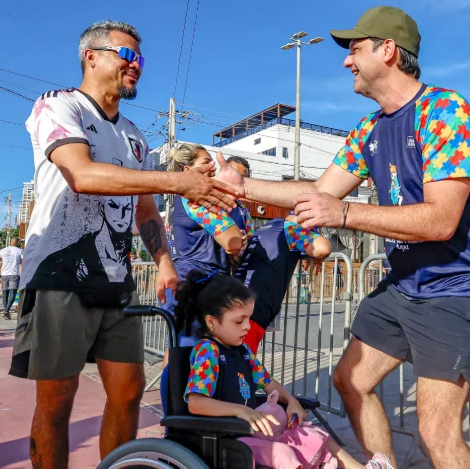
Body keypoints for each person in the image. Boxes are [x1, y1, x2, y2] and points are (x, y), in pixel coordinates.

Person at [213, 6, 470, 468]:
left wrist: (345, 213)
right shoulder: (369, 129)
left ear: (388, 50)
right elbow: (318, 191)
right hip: (405, 284)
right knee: (350, 381)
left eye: (354, 50)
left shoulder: (445, 111)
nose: (346, 61)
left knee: (437, 433)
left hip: (458, 284)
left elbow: (441, 220)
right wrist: (241, 187)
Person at [10, 20, 239, 469]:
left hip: (116, 281)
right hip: (58, 275)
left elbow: (145, 210)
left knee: (130, 390)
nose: (137, 65)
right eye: (127, 55)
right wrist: (178, 181)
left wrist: (164, 263)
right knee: (56, 400)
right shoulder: (59, 105)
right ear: (91, 57)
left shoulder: (135, 136)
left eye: (141, 59)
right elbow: (82, 175)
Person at [177, 270, 394, 469]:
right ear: (212, 322)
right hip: (226, 438)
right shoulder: (208, 352)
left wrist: (291, 401)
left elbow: (268, 383)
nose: (248, 326)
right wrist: (241, 411)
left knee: (312, 434)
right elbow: (196, 403)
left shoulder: (242, 351)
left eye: (249, 319)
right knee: (282, 453)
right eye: (239, 321)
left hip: (253, 433)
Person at [158, 143, 253, 416]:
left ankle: (186, 419)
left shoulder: (206, 197)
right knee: (183, 356)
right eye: (205, 162)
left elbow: (237, 240)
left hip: (209, 284)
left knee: (188, 355)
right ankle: (176, 421)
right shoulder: (194, 198)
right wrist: (238, 238)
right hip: (192, 286)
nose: (212, 167)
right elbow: (232, 242)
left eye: (212, 161)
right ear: (187, 169)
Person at [234, 214, 332, 353]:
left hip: (234, 303)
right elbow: (322, 247)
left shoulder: (264, 229)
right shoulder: (290, 229)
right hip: (252, 311)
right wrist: (318, 254)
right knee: (239, 363)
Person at [0, 237, 23, 319]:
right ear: (17, 242)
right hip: (14, 274)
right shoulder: (20, 251)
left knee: (5, 293)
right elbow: (24, 261)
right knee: (13, 293)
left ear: (10, 242)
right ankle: (6, 311)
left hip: (4, 274)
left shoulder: (2, 250)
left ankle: (6, 311)